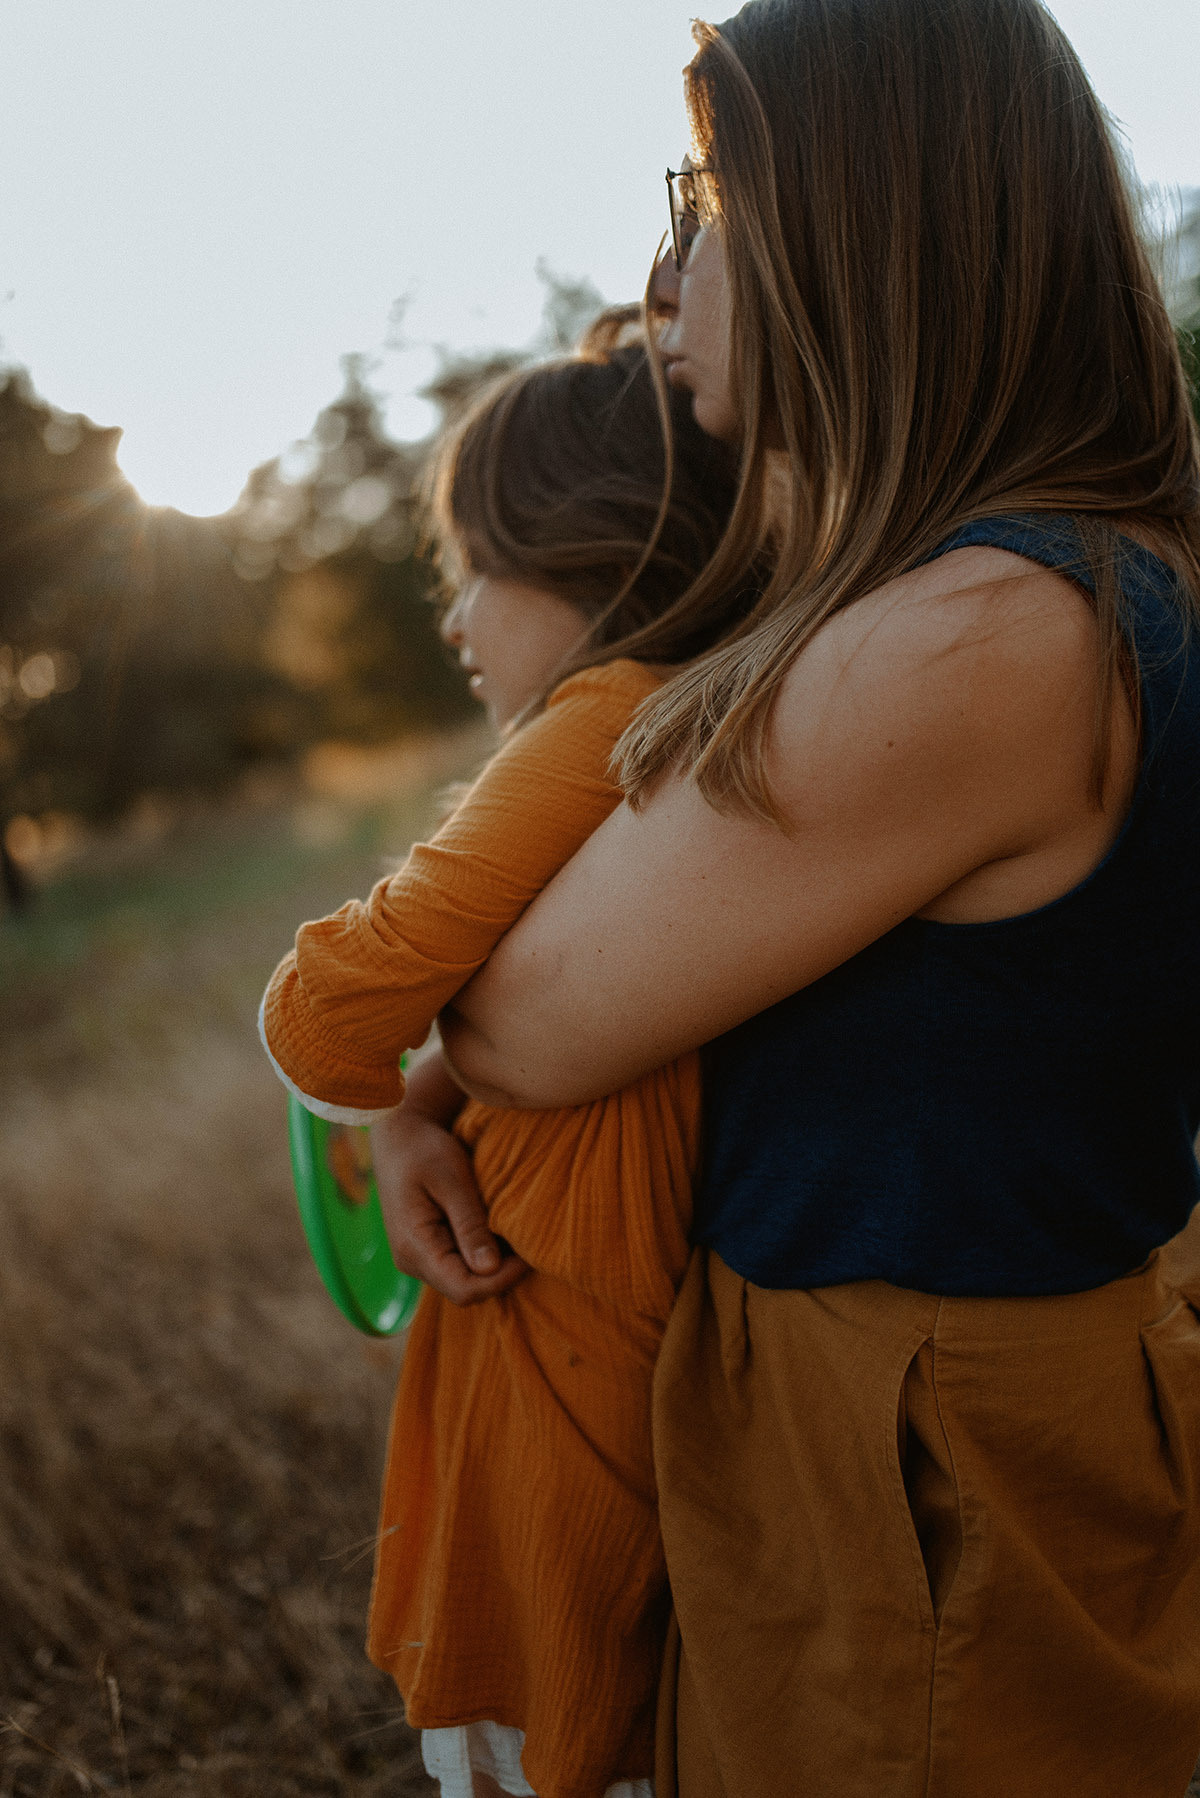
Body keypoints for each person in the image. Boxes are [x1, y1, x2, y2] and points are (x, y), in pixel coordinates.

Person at [404, 3, 1200, 1793]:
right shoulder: (1056, 574)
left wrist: (413, 1067)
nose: (660, 270)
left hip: (916, 1452)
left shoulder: (977, 636)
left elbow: (525, 1018)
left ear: (867, 218)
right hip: (924, 1403)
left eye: (704, 195)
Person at [259, 320, 756, 1798]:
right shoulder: (686, 720)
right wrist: (421, 1106)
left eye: (478, 568)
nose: (456, 618)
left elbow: (326, 1003)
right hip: (609, 1333)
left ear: (593, 555)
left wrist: (367, 1078)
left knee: (558, 1730)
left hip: (562, 1357)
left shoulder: (601, 714)